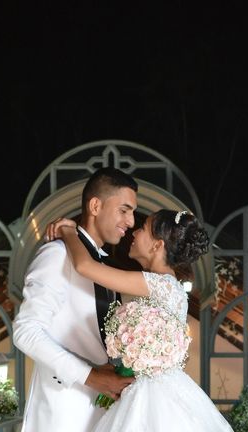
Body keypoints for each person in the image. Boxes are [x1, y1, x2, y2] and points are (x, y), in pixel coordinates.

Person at [46, 209, 235, 432]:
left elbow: (85, 267)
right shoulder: (170, 286)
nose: (134, 233)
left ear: (157, 245)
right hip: (164, 388)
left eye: (143, 228)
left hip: (151, 393)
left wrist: (69, 231)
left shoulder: (157, 283)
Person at [13, 167, 139, 432]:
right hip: (62, 413)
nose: (130, 222)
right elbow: (25, 331)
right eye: (124, 210)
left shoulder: (104, 266)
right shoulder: (56, 255)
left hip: (103, 412)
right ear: (95, 205)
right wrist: (91, 377)